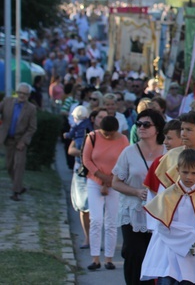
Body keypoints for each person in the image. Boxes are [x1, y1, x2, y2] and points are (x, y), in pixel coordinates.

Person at [141, 148, 195, 285]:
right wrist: (193, 234)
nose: (189, 177)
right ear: (177, 170)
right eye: (185, 172)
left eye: (193, 173)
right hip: (169, 252)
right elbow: (162, 225)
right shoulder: (167, 195)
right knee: (167, 280)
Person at [111, 109, 167, 284]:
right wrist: (136, 192)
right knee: (134, 253)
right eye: (139, 124)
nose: (141, 127)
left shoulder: (167, 151)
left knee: (153, 256)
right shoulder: (129, 152)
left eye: (146, 124)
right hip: (133, 212)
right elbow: (115, 182)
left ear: (157, 128)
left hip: (158, 213)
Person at [82, 115, 129, 270]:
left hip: (115, 182)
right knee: (96, 220)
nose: (107, 136)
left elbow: (125, 162)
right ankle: (95, 258)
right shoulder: (92, 137)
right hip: (94, 181)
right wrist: (102, 178)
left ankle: (109, 258)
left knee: (111, 222)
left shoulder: (123, 140)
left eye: (111, 133)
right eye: (105, 133)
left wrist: (111, 180)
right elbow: (86, 160)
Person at [68, 107, 104, 250]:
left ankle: (97, 239)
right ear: (93, 119)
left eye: (104, 117)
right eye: (100, 117)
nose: (102, 120)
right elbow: (70, 150)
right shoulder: (83, 130)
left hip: (100, 174)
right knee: (84, 206)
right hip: (82, 172)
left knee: (99, 209)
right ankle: (88, 238)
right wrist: (86, 154)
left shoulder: (108, 135)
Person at [0, 83, 38, 201]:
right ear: (17, 92)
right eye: (20, 93)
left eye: (25, 94)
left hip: (20, 141)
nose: (22, 95)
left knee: (19, 165)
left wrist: (24, 141)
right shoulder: (7, 101)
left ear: (28, 95)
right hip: (8, 140)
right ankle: (19, 186)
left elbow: (32, 127)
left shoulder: (31, 108)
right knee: (9, 165)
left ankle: (16, 192)